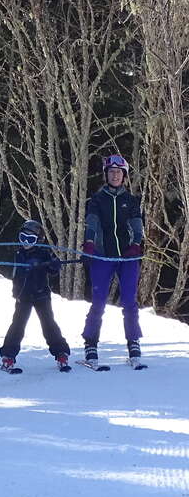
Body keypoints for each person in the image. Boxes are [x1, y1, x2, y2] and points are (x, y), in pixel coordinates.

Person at [81, 154, 144, 364]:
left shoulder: (131, 201)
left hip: (127, 258)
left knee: (129, 301)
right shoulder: (97, 200)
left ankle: (133, 341)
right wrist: (89, 243)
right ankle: (90, 342)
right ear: (106, 175)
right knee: (98, 301)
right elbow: (92, 223)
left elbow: (137, 226)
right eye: (111, 172)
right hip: (102, 256)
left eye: (119, 172)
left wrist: (136, 245)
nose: (115, 176)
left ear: (124, 176)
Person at [0, 220, 71, 373]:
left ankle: (61, 353)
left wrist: (53, 264)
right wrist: (29, 265)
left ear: (38, 240)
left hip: (41, 295)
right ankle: (8, 356)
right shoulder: (18, 253)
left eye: (30, 239)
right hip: (23, 295)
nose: (25, 242)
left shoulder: (43, 252)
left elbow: (52, 268)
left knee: (48, 324)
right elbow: (11, 270)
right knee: (18, 325)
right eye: (22, 238)